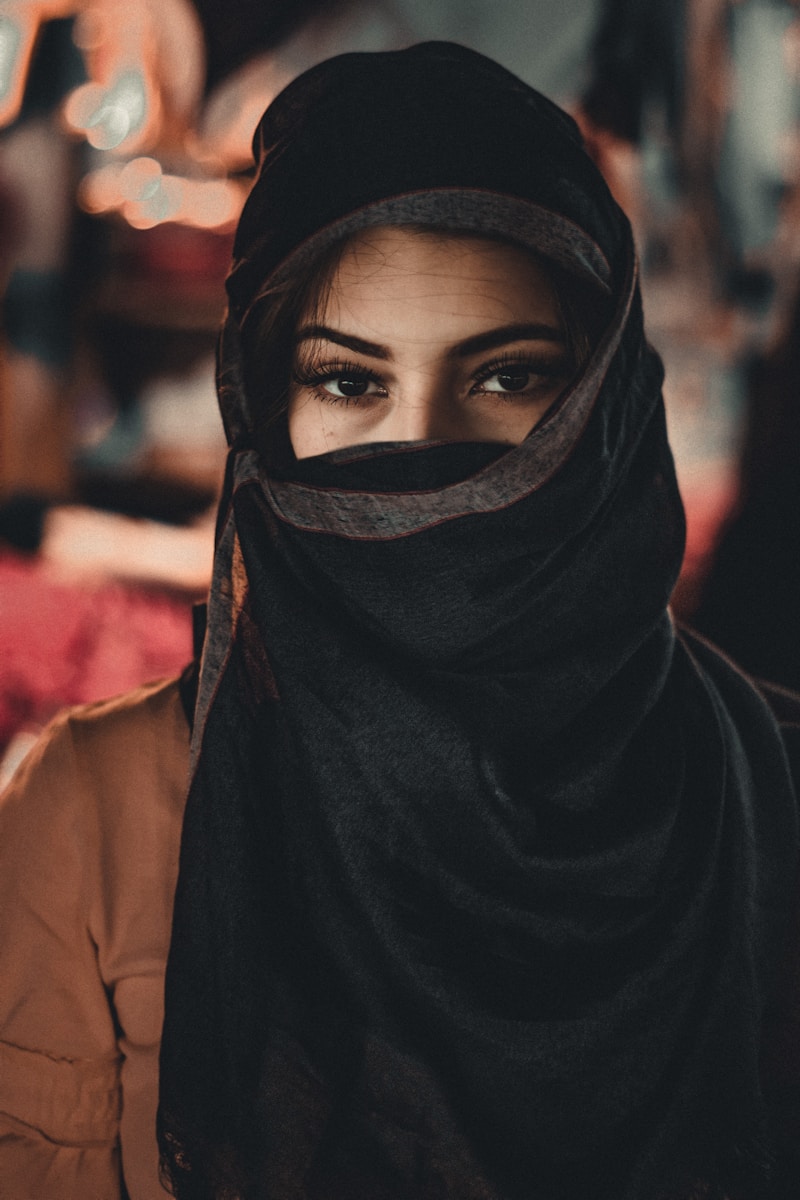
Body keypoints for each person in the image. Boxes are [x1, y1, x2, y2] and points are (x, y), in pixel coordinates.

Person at [1, 41, 799, 1200]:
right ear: (262, 407)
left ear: (605, 408)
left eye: (505, 377)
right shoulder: (93, 824)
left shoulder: (772, 791)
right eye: (347, 382)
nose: (422, 457)